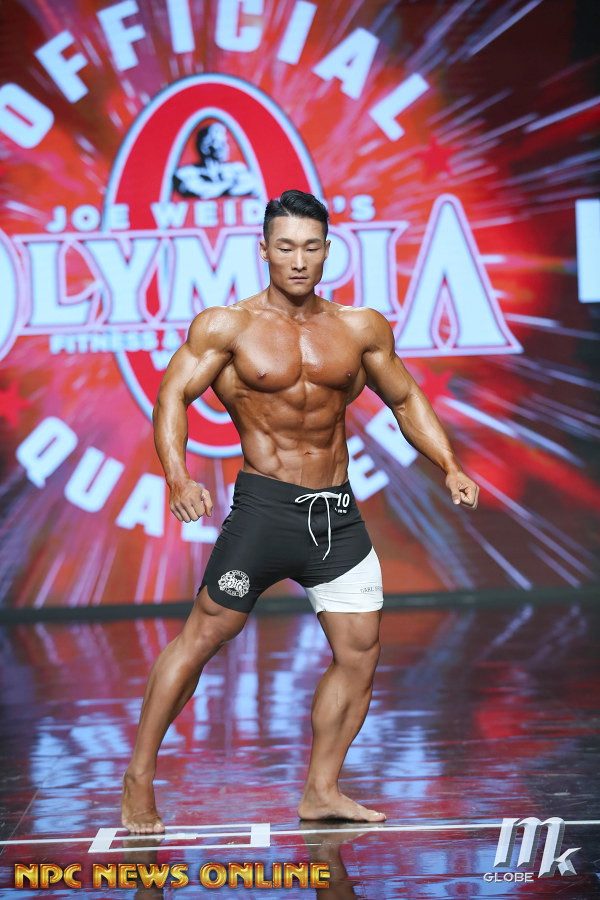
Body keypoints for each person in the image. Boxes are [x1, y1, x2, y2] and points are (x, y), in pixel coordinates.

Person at [121, 189, 479, 834]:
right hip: (265, 510)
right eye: (285, 247)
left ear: (327, 251)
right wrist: (178, 476)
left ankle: (322, 790)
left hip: (336, 515)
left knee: (360, 653)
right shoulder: (226, 326)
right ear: (263, 249)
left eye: (310, 247)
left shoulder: (359, 327)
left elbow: (405, 399)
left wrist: (449, 464)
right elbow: (172, 396)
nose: (297, 259)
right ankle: (139, 778)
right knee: (203, 638)